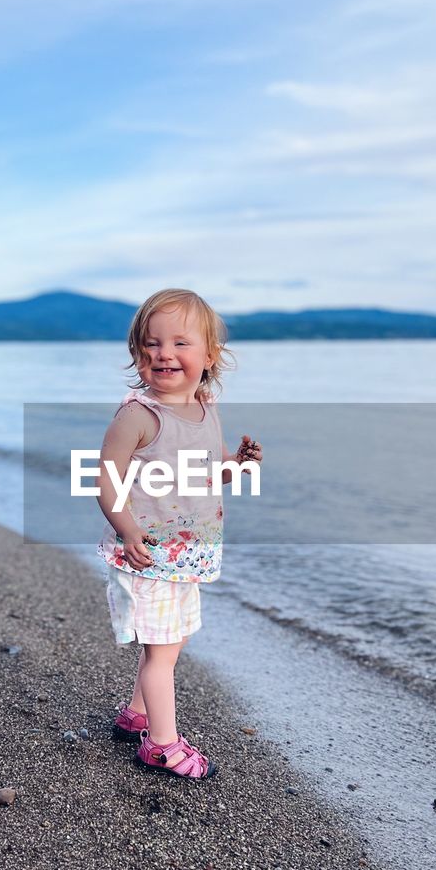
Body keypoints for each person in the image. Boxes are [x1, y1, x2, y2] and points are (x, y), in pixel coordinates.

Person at [95, 288, 262, 780]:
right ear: (136, 354)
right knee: (161, 653)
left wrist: (238, 466)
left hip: (186, 555)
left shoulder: (206, 409)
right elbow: (104, 479)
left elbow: (206, 475)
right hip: (149, 553)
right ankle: (161, 745)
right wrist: (126, 529)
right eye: (151, 344)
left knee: (173, 639)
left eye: (180, 344)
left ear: (209, 356)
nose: (164, 353)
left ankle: (137, 716)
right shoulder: (139, 416)